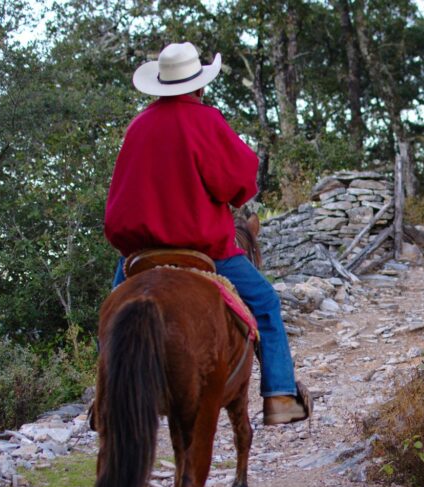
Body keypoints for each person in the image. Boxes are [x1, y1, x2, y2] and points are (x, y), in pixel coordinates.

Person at [104, 41, 310, 425]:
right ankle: (280, 396)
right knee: (266, 303)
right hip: (204, 251)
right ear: (198, 84)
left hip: (140, 255)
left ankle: (104, 402)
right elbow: (238, 183)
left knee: (113, 316)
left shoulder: (138, 126)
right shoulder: (206, 121)